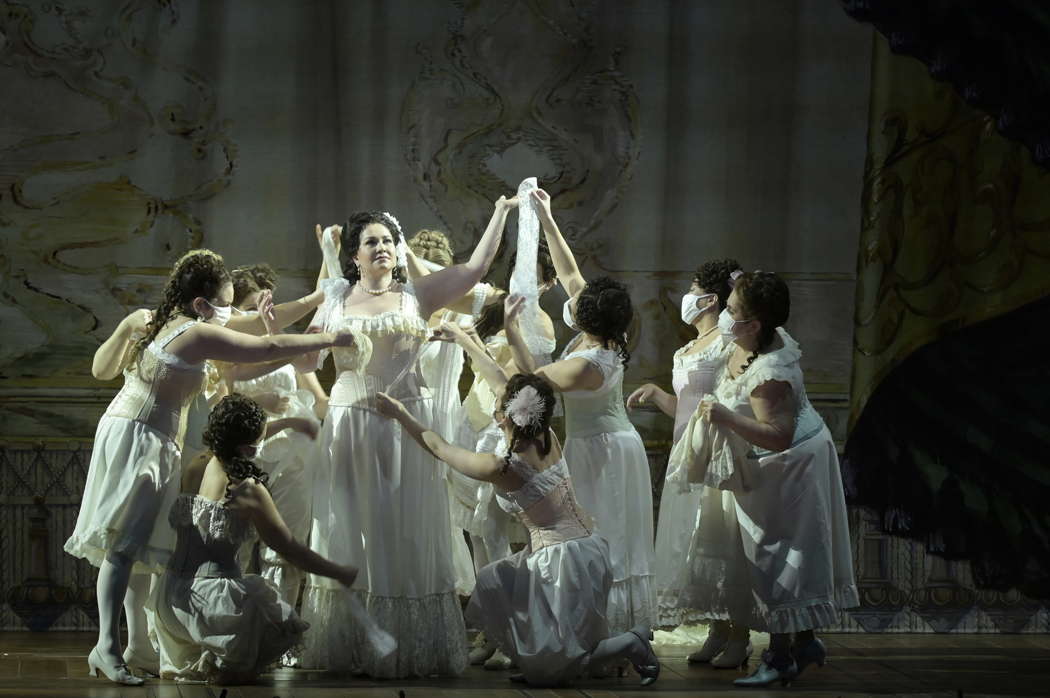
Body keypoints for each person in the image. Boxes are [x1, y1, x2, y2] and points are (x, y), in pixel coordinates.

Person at [65, 249, 355, 685]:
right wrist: (330, 340)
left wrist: (317, 299)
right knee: (123, 545)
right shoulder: (191, 334)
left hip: (153, 438)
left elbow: (258, 323)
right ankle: (105, 646)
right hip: (138, 437)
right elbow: (267, 344)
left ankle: (136, 645)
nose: (228, 311)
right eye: (223, 303)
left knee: (140, 547)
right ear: (200, 304)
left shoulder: (181, 323)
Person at [301, 199, 516, 678]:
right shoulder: (335, 295)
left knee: (403, 529)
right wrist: (311, 339)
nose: (381, 247)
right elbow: (305, 363)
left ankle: (403, 643)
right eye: (371, 242)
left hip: (405, 427)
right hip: (350, 424)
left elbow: (476, 266)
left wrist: (500, 211)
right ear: (353, 254)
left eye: (387, 240)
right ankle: (353, 639)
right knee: (349, 528)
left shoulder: (417, 295)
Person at [375, 371, 660, 688]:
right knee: (493, 579)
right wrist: (467, 339)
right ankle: (541, 659)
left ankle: (632, 640)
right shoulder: (545, 435)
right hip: (587, 547)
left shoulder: (503, 466)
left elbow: (440, 448)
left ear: (504, 415)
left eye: (497, 405)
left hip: (564, 563)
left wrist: (400, 413)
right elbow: (507, 386)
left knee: (563, 665)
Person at [683, 271, 857, 687]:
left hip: (789, 465)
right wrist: (745, 281)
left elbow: (778, 436)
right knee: (771, 552)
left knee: (776, 556)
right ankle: (805, 642)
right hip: (775, 462)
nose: (724, 316)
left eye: (731, 310)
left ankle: (780, 655)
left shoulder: (770, 372)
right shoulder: (754, 336)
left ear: (755, 324)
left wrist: (725, 416)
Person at [504, 188, 656, 635]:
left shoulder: (590, 363)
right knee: (590, 531)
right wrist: (548, 217)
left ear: (586, 320)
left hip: (604, 451)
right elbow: (570, 271)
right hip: (596, 443)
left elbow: (533, 373)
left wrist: (512, 327)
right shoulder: (605, 336)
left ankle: (608, 631)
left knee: (603, 534)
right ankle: (591, 630)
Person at [148, 394, 357, 684]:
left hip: (170, 599)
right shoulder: (246, 488)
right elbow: (289, 548)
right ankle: (226, 664)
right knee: (271, 613)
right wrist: (337, 571)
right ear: (250, 444)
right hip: (210, 608)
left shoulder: (196, 464)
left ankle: (209, 658)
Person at [626, 259, 753, 667]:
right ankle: (716, 630)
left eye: (694, 287)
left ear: (711, 298)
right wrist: (658, 394)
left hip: (717, 454)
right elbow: (688, 408)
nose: (688, 295)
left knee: (724, 541)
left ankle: (740, 633)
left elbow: (731, 396)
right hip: (687, 453)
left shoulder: (727, 340)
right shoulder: (687, 347)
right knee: (699, 547)